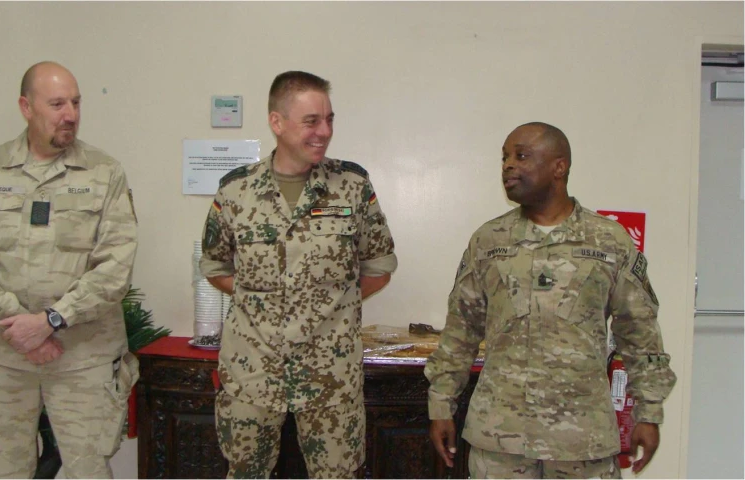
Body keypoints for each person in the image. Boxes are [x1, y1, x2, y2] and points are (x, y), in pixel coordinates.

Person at [425, 122, 677, 479]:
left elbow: (639, 332)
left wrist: (648, 414)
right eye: (505, 157)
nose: (508, 166)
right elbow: (460, 331)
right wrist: (441, 404)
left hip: (581, 443)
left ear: (559, 167)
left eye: (521, 155)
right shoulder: (489, 240)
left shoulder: (608, 241)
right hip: (500, 442)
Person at [199, 70, 398, 479]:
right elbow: (216, 265)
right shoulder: (236, 191)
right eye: (311, 121)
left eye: (329, 119)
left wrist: (329, 303)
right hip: (251, 371)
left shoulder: (352, 186)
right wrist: (263, 299)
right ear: (277, 122)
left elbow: (378, 267)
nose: (324, 131)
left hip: (330, 375)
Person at [0, 61, 139, 479]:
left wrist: (53, 320)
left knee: (88, 470)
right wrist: (22, 329)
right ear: (26, 106)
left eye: (75, 102)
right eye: (57, 103)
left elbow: (115, 266)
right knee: (1, 470)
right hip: (5, 356)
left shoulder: (104, 172)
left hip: (82, 356)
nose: (70, 113)